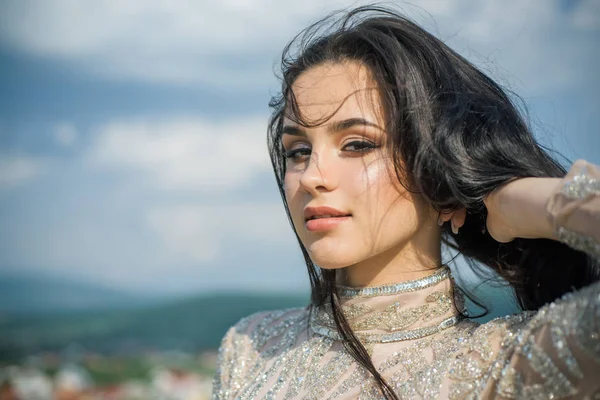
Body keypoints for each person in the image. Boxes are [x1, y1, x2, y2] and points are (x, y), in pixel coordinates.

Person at [212, 6, 600, 399]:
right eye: (298, 150)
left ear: (441, 172)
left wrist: (521, 202)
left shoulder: (508, 361)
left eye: (357, 145)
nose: (311, 176)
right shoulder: (251, 346)